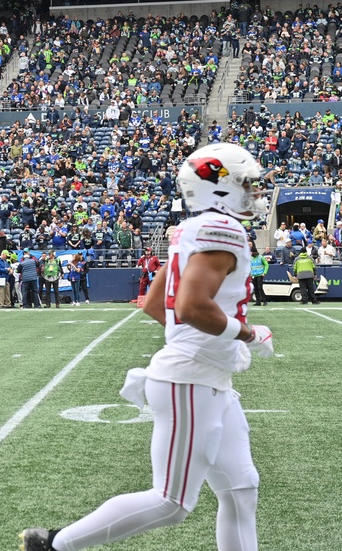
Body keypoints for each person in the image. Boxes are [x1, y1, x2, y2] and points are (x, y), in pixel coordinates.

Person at [20, 142, 275, 551]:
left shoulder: (191, 228)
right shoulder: (221, 230)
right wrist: (244, 334)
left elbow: (155, 304)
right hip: (191, 380)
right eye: (248, 183)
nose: (256, 192)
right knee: (172, 502)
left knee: (241, 488)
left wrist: (210, 345)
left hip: (207, 375)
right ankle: (53, 545)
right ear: (220, 188)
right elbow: (190, 306)